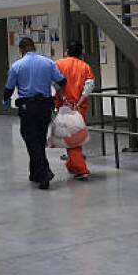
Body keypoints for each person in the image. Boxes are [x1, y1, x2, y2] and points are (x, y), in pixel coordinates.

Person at [3, 37, 66, 190]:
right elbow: (62, 81)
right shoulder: (48, 63)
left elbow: (9, 88)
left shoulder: (17, 66)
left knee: (31, 141)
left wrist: (5, 99)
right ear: (34, 47)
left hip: (28, 108)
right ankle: (35, 173)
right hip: (45, 106)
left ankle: (45, 173)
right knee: (38, 139)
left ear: (22, 50)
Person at [55, 41, 95, 180]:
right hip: (79, 107)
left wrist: (63, 99)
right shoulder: (85, 66)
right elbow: (89, 86)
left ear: (67, 51)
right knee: (74, 135)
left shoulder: (59, 64)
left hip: (64, 105)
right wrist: (79, 102)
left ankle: (80, 168)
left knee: (71, 137)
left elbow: (56, 84)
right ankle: (71, 164)